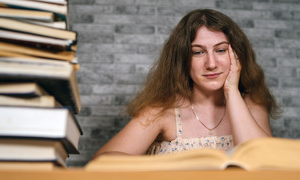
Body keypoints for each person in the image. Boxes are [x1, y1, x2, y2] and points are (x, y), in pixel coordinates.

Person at [93, 9, 279, 157]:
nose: (211, 64)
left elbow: (264, 163)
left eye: (221, 50)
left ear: (237, 55)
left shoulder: (252, 104)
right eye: (198, 52)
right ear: (182, 59)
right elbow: (101, 161)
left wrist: (231, 90)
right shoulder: (163, 110)